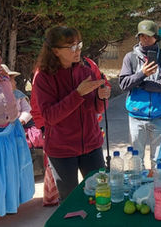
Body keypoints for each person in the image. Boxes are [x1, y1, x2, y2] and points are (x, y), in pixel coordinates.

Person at [33, 26, 111, 202]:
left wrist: (101, 97)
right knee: (70, 201)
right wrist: (77, 94)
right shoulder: (43, 77)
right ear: (55, 51)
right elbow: (50, 116)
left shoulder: (86, 71)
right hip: (62, 150)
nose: (78, 50)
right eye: (71, 47)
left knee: (102, 192)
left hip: (91, 144)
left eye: (79, 45)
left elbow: (96, 109)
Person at [0, 33, 34, 226]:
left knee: (8, 173)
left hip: (9, 134)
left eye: (0, 54)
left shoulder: (1, 75)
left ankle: (5, 204)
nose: (0, 59)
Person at [119, 19, 161, 169]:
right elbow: (123, 84)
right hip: (136, 116)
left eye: (148, 36)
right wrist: (142, 74)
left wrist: (140, 84)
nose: (145, 39)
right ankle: (139, 189)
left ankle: (157, 188)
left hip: (159, 116)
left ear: (156, 37)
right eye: (142, 36)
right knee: (137, 160)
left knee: (157, 161)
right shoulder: (130, 58)